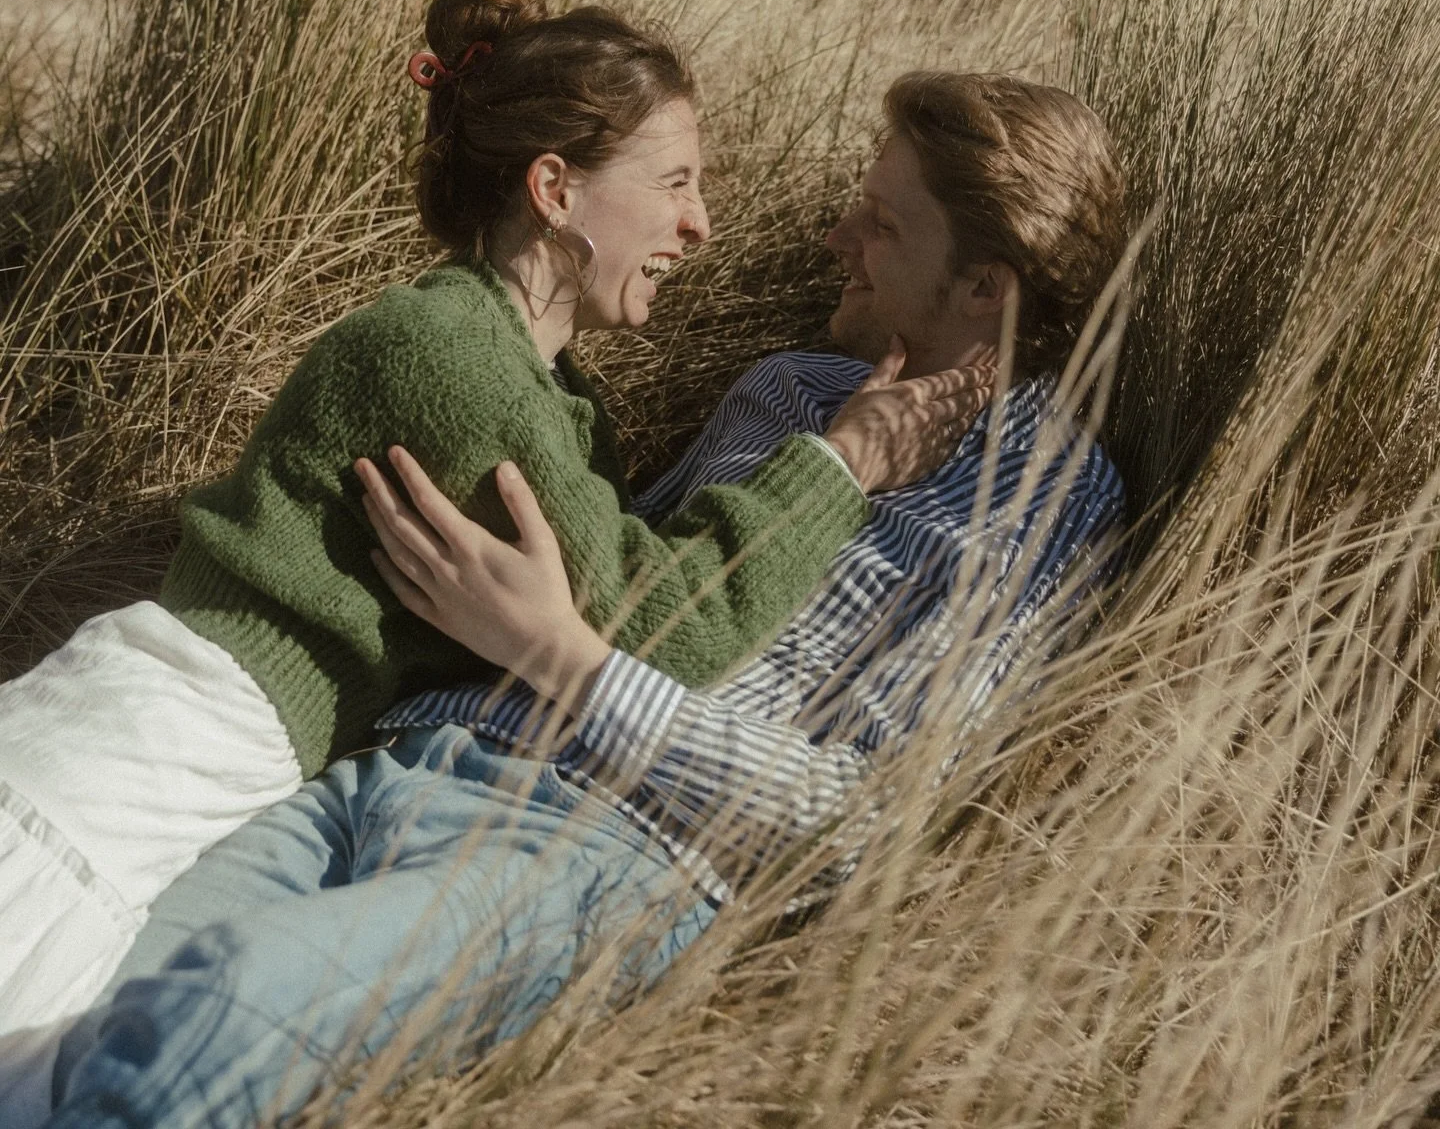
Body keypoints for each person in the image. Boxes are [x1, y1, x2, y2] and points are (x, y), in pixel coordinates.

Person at [47, 71, 1130, 1129]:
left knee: (207, 1016)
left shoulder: (1047, 502)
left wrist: (563, 658)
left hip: (597, 854)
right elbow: (632, 576)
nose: (837, 237)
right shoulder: (788, 392)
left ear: (987, 286)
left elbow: (861, 826)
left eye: (882, 223)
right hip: (407, 758)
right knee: (68, 1007)